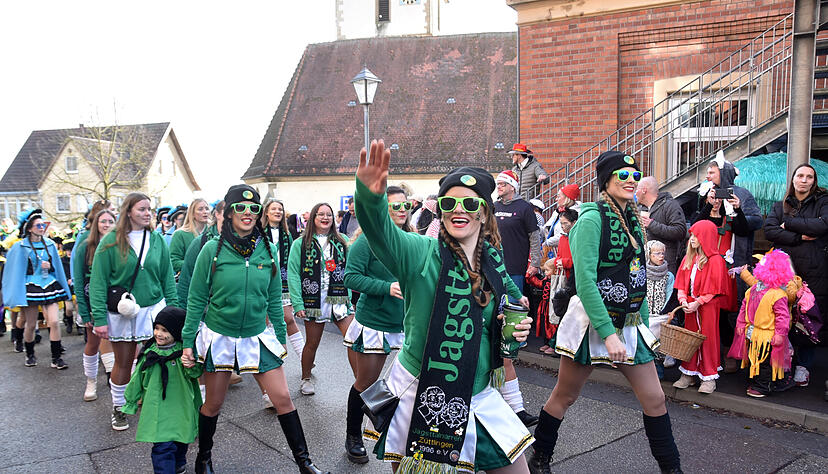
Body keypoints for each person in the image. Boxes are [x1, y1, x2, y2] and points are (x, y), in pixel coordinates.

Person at [356, 140, 534, 472]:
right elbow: (380, 233)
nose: (458, 209)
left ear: (484, 211)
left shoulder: (492, 259)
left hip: (478, 393)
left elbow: (491, 321)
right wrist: (370, 198)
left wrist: (513, 330)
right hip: (424, 396)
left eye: (469, 202)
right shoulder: (419, 252)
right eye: (449, 202)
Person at [531, 151, 681, 474]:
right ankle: (540, 458)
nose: (630, 180)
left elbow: (636, 274)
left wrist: (642, 323)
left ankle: (673, 470)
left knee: (655, 399)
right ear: (607, 180)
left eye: (635, 175)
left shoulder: (635, 220)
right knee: (565, 395)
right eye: (622, 175)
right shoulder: (590, 219)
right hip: (592, 324)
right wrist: (609, 335)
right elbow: (585, 283)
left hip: (626, 324)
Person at [182, 184, 328, 474]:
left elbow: (274, 298)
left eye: (253, 208)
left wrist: (281, 339)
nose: (247, 213)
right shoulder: (212, 249)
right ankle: (204, 459)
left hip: (256, 336)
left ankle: (304, 462)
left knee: (283, 399)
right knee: (213, 404)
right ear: (229, 211)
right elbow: (196, 298)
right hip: (220, 336)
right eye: (240, 207)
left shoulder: (268, 249)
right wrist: (188, 341)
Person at [90, 193, 179, 431]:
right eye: (141, 209)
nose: (147, 213)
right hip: (124, 312)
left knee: (162, 359)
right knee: (123, 362)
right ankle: (119, 408)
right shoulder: (110, 242)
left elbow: (167, 277)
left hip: (155, 309)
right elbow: (98, 282)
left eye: (149, 209)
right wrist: (99, 319)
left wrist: (174, 309)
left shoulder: (157, 239)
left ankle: (160, 405)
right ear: (128, 211)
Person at [342, 185, 410, 464]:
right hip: (375, 323)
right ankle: (353, 435)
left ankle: (403, 435)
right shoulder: (366, 241)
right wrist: (386, 287)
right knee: (366, 383)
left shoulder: (410, 239)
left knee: (409, 383)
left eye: (406, 205)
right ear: (382, 210)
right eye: (395, 206)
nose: (403, 210)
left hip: (407, 322)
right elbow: (350, 278)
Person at [694, 154, 763, 370]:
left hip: (733, 262)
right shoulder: (706, 194)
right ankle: (715, 353)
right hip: (710, 262)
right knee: (713, 308)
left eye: (712, 172)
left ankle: (733, 352)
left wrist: (738, 208)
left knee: (734, 309)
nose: (708, 176)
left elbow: (755, 221)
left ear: (723, 174)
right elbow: (697, 225)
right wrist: (710, 206)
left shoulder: (742, 194)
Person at [763, 163, 828, 387]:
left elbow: (822, 226)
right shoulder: (779, 205)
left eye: (809, 177)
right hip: (784, 271)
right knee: (783, 316)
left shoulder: (823, 202)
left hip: (814, 270)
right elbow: (770, 230)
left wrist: (788, 224)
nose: (804, 180)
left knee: (808, 319)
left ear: (814, 181)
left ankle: (804, 366)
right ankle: (785, 362)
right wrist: (800, 237)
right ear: (793, 179)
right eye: (800, 175)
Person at [122, 306, 202, 474]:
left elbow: (195, 373)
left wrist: (190, 364)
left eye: (165, 330)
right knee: (162, 446)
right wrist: (130, 401)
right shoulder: (150, 353)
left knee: (181, 439)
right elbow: (137, 378)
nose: (158, 333)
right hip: (157, 407)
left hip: (180, 405)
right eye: (156, 328)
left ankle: (179, 462)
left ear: (177, 331)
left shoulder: (183, 352)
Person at [288, 203, 355, 395]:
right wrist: (298, 303)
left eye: (329, 215)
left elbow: (350, 269)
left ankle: (361, 382)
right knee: (312, 343)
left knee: (353, 340)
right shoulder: (300, 243)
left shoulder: (342, 240)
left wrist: (349, 297)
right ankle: (306, 378)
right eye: (321, 214)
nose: (325, 218)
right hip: (314, 300)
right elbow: (293, 274)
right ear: (313, 218)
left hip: (340, 298)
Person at [494, 169, 543, 427]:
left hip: (514, 270)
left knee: (510, 320)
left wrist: (534, 262)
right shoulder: (491, 207)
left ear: (513, 186)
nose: (499, 187)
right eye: (498, 183)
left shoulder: (524, 208)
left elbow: (534, 239)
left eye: (503, 183)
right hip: (492, 271)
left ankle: (511, 347)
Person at [2, 209, 71, 369]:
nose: (42, 227)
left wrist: (50, 266)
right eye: (38, 225)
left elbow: (57, 267)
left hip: (49, 284)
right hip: (30, 286)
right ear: (29, 228)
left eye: (43, 224)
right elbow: (14, 270)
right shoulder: (20, 247)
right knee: (31, 324)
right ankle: (30, 354)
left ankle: (56, 358)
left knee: (54, 321)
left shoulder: (50, 244)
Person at [727, 250, 796, 398]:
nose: (758, 266)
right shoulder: (753, 289)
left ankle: (763, 386)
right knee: (753, 358)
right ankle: (755, 380)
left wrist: (780, 334)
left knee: (764, 361)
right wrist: (740, 324)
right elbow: (744, 308)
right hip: (753, 333)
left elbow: (782, 317)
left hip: (767, 336)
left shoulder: (778, 295)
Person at [672, 220, 730, 394]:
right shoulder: (689, 257)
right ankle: (688, 374)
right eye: (692, 236)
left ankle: (709, 377)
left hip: (707, 307)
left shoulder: (716, 261)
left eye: (697, 236)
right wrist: (683, 301)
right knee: (689, 339)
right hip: (690, 304)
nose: (692, 239)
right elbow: (681, 284)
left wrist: (698, 302)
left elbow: (714, 288)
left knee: (707, 339)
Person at [73, 209, 117, 401]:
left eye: (110, 221)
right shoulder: (85, 246)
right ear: (96, 224)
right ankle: (91, 380)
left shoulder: (118, 245)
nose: (106, 225)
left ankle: (112, 378)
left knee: (115, 341)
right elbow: (79, 280)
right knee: (93, 343)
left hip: (114, 299)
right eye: (103, 222)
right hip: (92, 299)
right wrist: (83, 309)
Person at [262, 199, 306, 363]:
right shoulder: (258, 232)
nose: (277, 212)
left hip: (283, 279)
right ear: (266, 212)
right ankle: (271, 358)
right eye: (273, 209)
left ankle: (304, 356)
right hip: (264, 278)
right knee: (265, 321)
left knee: (288, 318)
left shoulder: (287, 234)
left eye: (280, 209)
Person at [636, 176, 687, 274]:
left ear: (644, 190)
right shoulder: (641, 209)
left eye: (637, 189)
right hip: (644, 266)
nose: (635, 193)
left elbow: (680, 231)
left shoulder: (670, 205)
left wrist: (652, 225)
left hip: (664, 268)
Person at [169, 198, 210, 278]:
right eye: (200, 209)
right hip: (190, 279)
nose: (205, 212)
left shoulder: (215, 232)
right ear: (192, 213)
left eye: (207, 208)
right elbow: (174, 261)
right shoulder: (180, 234)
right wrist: (198, 264)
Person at [542, 184, 580, 252]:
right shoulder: (557, 211)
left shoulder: (575, 213)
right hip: (553, 251)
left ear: (567, 198)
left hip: (566, 252)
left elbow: (564, 235)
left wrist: (546, 243)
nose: (556, 199)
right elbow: (547, 228)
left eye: (559, 196)